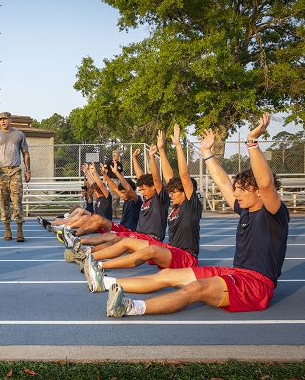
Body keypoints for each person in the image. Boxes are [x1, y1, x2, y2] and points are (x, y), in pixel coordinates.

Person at [102, 114, 290, 317]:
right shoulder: (244, 210)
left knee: (195, 288)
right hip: (236, 272)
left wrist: (252, 142)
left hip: (255, 285)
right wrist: (206, 152)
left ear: (259, 192)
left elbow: (266, 183)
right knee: (167, 275)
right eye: (237, 189)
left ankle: (130, 307)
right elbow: (223, 183)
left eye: (242, 190)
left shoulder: (273, 214)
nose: (236, 194)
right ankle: (106, 282)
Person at [84, 125, 203, 291]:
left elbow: (180, 176)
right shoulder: (175, 207)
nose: (171, 195)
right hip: (172, 250)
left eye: (175, 192)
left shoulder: (190, 205)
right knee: (125, 241)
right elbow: (167, 179)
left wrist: (177, 146)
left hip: (186, 256)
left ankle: (100, 267)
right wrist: (160, 150)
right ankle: (90, 259)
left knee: (150, 250)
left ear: (187, 192)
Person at [0, 111, 31, 242]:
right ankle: (7, 228)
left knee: (17, 201)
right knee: (3, 201)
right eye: (0, 120)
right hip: (0, 172)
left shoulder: (19, 134)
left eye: (5, 119)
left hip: (15, 171)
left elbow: (26, 153)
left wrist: (28, 170)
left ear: (10, 120)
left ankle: (19, 229)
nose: (3, 121)